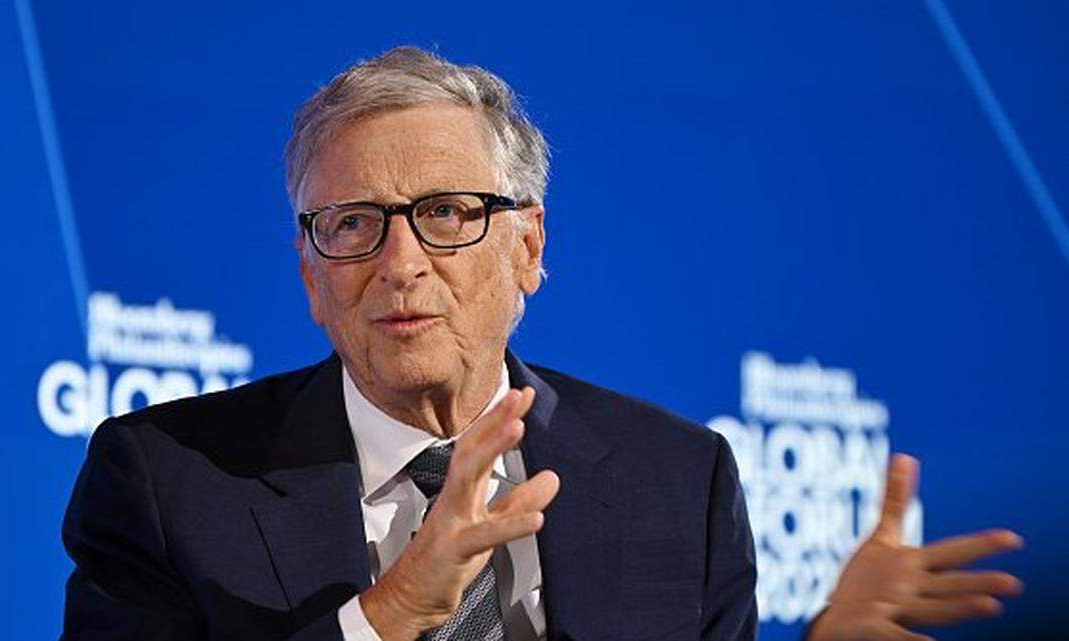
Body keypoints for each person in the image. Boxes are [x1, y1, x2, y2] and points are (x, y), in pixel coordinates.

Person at [60, 46, 1023, 641]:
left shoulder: (677, 480)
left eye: (446, 212)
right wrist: (387, 616)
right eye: (352, 223)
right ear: (311, 271)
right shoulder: (168, 481)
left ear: (529, 245)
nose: (399, 263)